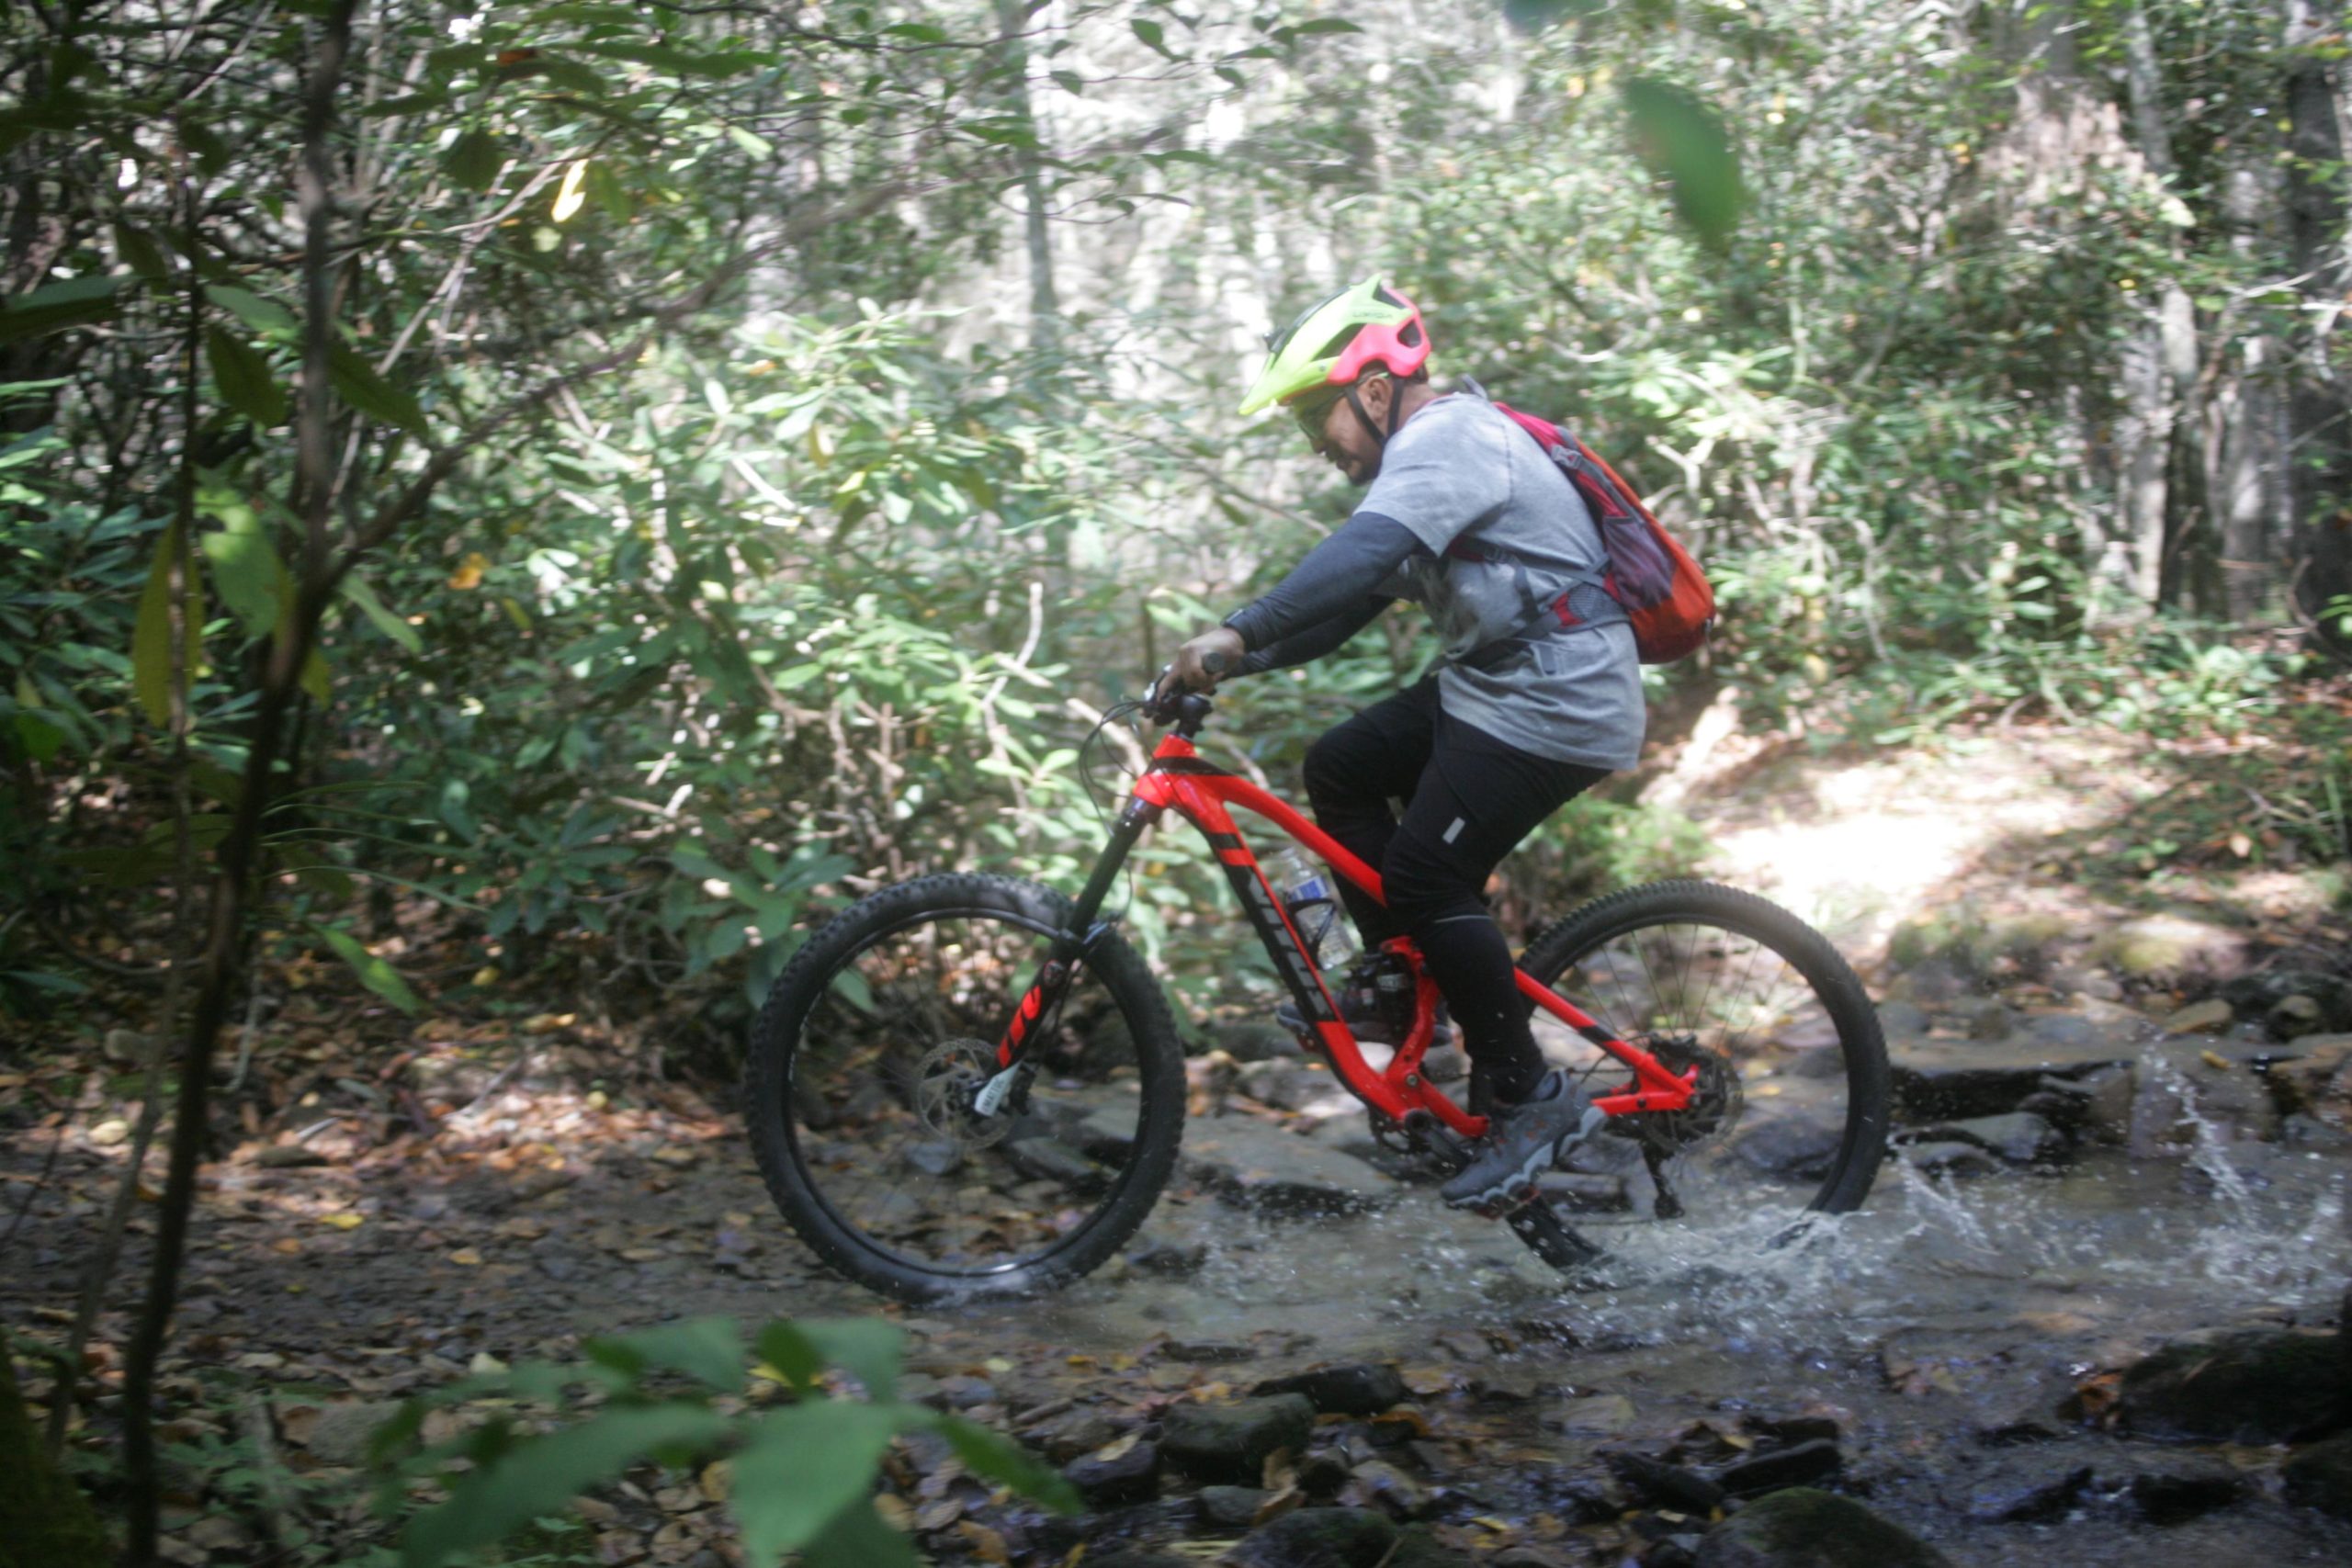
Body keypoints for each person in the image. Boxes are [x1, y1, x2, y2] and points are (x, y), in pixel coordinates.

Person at [1167, 277, 1646, 1215]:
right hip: (1503, 681)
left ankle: (1527, 1093)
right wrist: (1232, 660)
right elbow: (1345, 609)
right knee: (1342, 766)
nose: (1313, 442)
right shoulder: (1424, 464)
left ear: (1377, 390)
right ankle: (1403, 977)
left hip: (1555, 694)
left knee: (1426, 873)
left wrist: (1236, 626)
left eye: (1317, 414)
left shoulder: (1448, 439)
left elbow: (1351, 555)